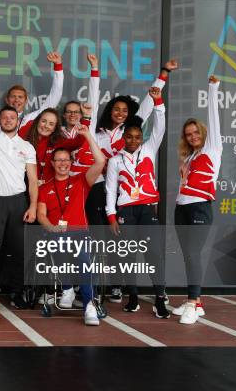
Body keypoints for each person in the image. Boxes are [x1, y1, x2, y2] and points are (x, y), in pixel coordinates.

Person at [90, 60, 178, 303]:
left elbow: (151, 102)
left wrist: (164, 75)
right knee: (113, 241)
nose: (120, 113)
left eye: (124, 111)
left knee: (140, 246)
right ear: (109, 111)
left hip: (132, 198)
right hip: (104, 189)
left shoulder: (133, 132)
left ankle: (129, 287)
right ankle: (108, 286)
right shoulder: (97, 134)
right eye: (116, 110)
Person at [0, 66, 39, 309]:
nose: (8, 120)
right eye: (4, 118)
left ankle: (17, 293)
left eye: (12, 117)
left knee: (21, 251)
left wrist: (32, 206)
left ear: (18, 119)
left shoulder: (27, 147)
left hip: (18, 202)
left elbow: (33, 181)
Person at [105, 87, 169, 319]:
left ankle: (160, 298)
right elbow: (111, 190)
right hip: (126, 212)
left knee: (153, 254)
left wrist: (158, 101)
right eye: (129, 137)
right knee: (128, 256)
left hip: (147, 210)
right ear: (123, 138)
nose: (133, 140)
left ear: (142, 138)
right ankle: (132, 296)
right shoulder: (114, 160)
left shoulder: (150, 150)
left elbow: (160, 126)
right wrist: (111, 217)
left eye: (137, 137)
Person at [36, 119, 106, 325]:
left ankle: (88, 306)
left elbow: (100, 162)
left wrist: (86, 136)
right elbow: (41, 215)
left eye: (66, 160)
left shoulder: (81, 181)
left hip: (79, 233)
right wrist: (52, 227)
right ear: (52, 163)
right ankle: (66, 289)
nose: (63, 163)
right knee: (58, 241)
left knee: (83, 259)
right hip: (56, 234)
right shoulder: (44, 188)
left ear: (71, 162)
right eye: (58, 160)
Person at [172, 76, 222, 325]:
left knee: (193, 254)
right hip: (181, 208)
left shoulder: (213, 148)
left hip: (200, 208)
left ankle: (193, 302)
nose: (192, 136)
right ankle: (196, 302)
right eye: (188, 134)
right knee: (187, 255)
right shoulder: (190, 157)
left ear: (202, 132)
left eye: (195, 132)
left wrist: (213, 89)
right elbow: (184, 185)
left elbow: (214, 118)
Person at [5, 52, 64, 135]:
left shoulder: (32, 118)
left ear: (26, 101)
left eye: (20, 97)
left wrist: (58, 65)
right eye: (13, 96)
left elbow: (55, 95)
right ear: (7, 100)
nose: (16, 100)